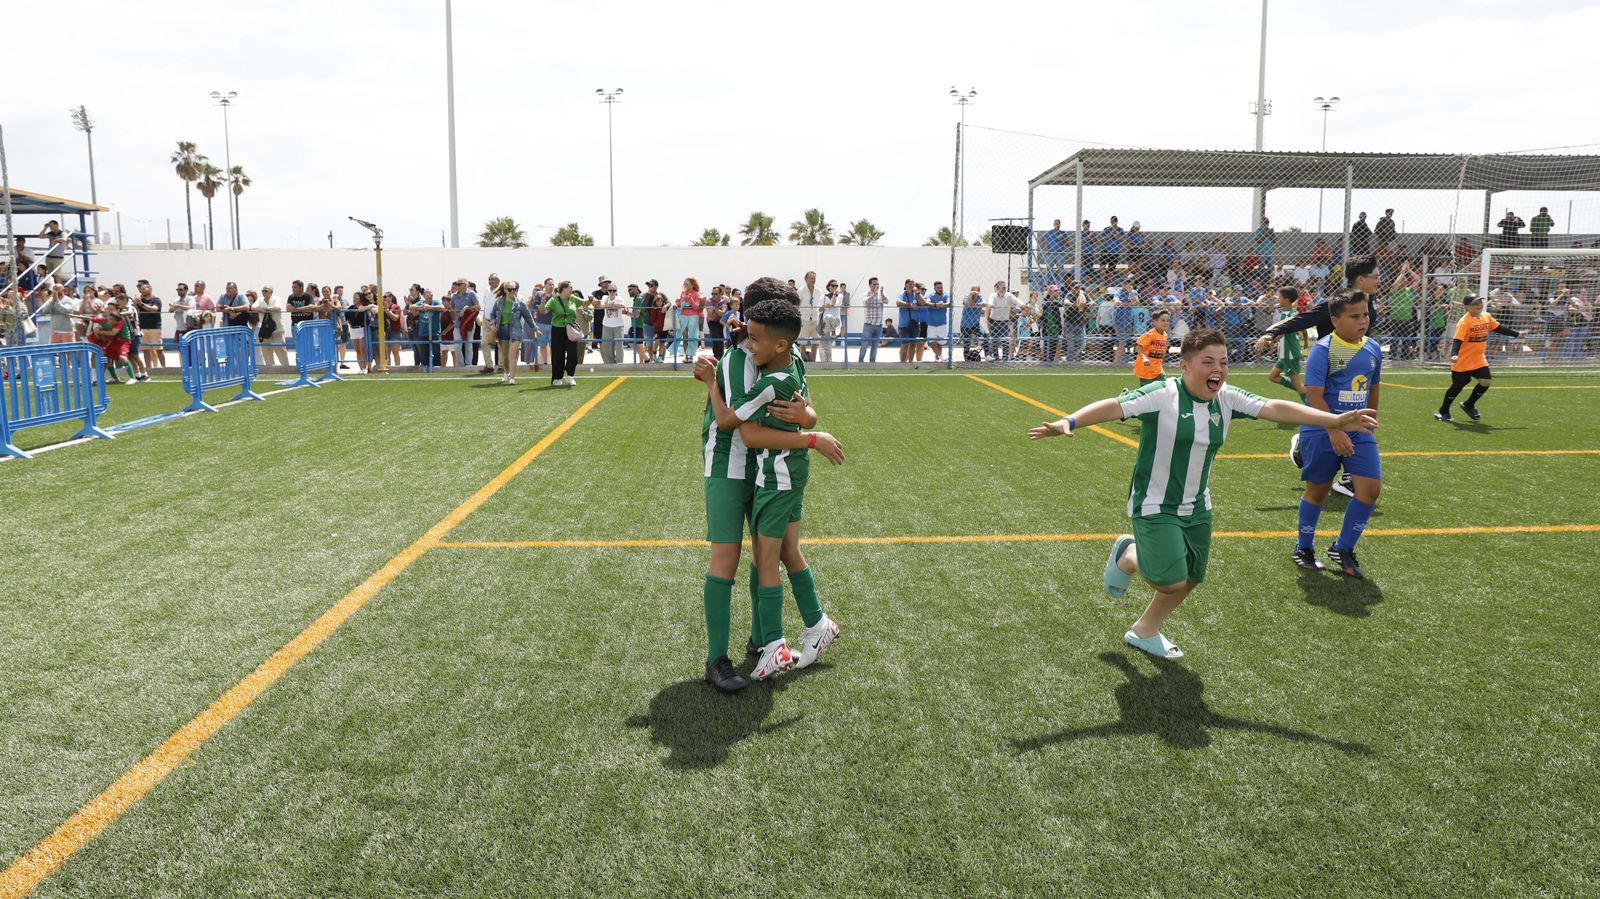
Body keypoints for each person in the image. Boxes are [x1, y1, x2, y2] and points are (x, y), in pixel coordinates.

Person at [1026, 328, 1378, 658]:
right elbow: (1113, 407)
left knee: (1192, 578)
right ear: (1185, 365)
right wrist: (1067, 422)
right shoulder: (1162, 394)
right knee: (1170, 580)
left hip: (1197, 504)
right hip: (1154, 503)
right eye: (1208, 362)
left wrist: (1333, 421)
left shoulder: (1226, 398)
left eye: (1223, 362)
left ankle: (1144, 631)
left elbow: (1273, 407)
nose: (1218, 369)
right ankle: (1128, 556)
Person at [693, 286, 843, 693]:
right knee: (727, 557)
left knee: (767, 556)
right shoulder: (733, 360)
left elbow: (805, 404)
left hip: (767, 465)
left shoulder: (783, 351)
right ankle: (717, 660)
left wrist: (809, 418)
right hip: (729, 462)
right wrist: (812, 436)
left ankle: (763, 642)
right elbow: (742, 429)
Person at [1292, 293, 1385, 579]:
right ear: (1335, 320)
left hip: (1358, 430)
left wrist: (1369, 421)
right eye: (1354, 316)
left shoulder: (1372, 348)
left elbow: (1373, 388)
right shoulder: (1325, 349)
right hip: (1322, 429)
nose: (1362, 321)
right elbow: (1314, 395)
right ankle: (1304, 548)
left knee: (1370, 490)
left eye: (1365, 315)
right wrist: (1333, 430)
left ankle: (1342, 547)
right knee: (1318, 491)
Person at [1436, 294, 1526, 423]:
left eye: (1479, 302)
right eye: (1475, 303)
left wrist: (1517, 334)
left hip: (1478, 359)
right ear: (1467, 307)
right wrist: (1454, 354)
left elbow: (1499, 328)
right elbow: (1457, 340)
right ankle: (1443, 410)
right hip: (1463, 360)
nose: (1479, 305)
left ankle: (1469, 404)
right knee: (1458, 386)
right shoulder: (1464, 322)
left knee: (1485, 381)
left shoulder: (1486, 316)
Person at [1266, 287, 1309, 404]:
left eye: (1279, 297)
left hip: (1288, 353)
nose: (1277, 299)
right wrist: (1305, 342)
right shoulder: (1295, 312)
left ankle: (1311, 406)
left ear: (1286, 300)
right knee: (1273, 376)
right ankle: (1303, 390)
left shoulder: (1285, 315)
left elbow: (1281, 332)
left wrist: (1271, 340)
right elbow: (1304, 330)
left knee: (1297, 382)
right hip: (1285, 352)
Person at [486, 281, 532, 383]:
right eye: (510, 289)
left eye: (514, 289)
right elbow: (492, 315)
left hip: (516, 330)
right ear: (505, 290)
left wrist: (536, 329)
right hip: (502, 329)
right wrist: (493, 324)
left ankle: (512, 377)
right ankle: (506, 373)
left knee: (512, 353)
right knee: (505, 355)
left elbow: (528, 316)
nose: (512, 291)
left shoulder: (520, 302)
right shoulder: (499, 301)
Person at [545, 281, 582, 387]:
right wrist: (542, 303)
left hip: (570, 329)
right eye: (570, 287)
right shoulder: (553, 300)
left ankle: (570, 375)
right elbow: (543, 311)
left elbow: (585, 303)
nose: (572, 289)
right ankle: (557, 378)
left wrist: (591, 300)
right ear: (563, 289)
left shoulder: (573, 298)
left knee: (573, 354)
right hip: (557, 329)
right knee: (557, 355)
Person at [1132, 309, 1171, 385]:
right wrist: (1144, 358)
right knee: (1146, 393)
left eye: (1168, 320)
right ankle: (1127, 393)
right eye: (1163, 320)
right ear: (1155, 322)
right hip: (1146, 369)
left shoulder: (1165, 335)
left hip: (1158, 370)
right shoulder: (1150, 335)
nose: (1166, 323)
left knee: (1164, 388)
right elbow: (1138, 346)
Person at [133, 280, 165, 369]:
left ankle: (164, 367)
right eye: (141, 289)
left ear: (150, 289)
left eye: (144, 288)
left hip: (155, 328)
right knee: (145, 350)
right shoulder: (140, 300)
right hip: (143, 328)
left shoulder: (156, 300)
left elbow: (154, 309)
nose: (142, 290)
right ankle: (148, 368)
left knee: (158, 349)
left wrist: (141, 304)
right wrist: (135, 303)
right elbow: (136, 311)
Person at [255, 287, 290, 368]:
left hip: (277, 330)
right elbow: (253, 307)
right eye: (262, 290)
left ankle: (286, 369)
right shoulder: (260, 300)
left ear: (271, 292)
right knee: (267, 353)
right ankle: (270, 370)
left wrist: (265, 309)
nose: (263, 292)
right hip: (265, 332)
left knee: (281, 351)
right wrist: (260, 309)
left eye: (265, 291)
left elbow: (277, 307)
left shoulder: (277, 299)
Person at [449, 279, 479, 368]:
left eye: (459, 284)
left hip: (468, 323)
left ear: (465, 285)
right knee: (457, 345)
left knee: (468, 344)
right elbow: (452, 308)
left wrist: (466, 308)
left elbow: (478, 306)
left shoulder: (471, 294)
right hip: (458, 324)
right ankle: (461, 365)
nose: (457, 286)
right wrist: (454, 319)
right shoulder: (454, 296)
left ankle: (468, 364)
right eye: (456, 284)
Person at [857, 277, 887, 363]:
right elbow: (865, 301)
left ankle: (872, 362)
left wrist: (881, 293)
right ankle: (860, 361)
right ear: (869, 285)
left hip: (878, 324)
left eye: (878, 284)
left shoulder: (881, 293)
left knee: (875, 345)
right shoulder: (866, 293)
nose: (876, 286)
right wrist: (874, 294)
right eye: (874, 284)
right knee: (864, 344)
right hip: (868, 324)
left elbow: (887, 301)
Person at [986, 280, 1017, 362]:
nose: (1004, 288)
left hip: (1004, 322)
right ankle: (996, 359)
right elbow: (989, 303)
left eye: (1005, 287)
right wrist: (991, 305)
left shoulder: (1008, 296)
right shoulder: (993, 296)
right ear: (997, 288)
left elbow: (1016, 301)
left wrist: (1022, 305)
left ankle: (1005, 359)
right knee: (994, 342)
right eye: (1002, 287)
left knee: (1006, 341)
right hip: (994, 322)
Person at [923, 280, 952, 362]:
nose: (940, 289)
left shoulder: (946, 295)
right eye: (938, 288)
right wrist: (936, 305)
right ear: (934, 288)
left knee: (940, 343)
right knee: (932, 343)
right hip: (931, 324)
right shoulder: (930, 295)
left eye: (941, 287)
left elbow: (949, 302)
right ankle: (942, 358)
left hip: (942, 324)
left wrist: (943, 304)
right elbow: (927, 302)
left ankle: (937, 359)